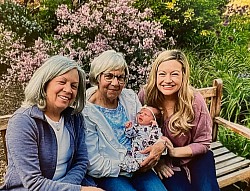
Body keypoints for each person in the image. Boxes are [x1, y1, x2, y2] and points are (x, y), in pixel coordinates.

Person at [0, 55, 104, 191]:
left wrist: (66, 187)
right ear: (45, 82)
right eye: (62, 82)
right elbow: (33, 183)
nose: (68, 90)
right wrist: (77, 190)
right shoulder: (23, 122)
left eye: (74, 86)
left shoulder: (75, 118)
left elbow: (81, 162)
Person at [82, 50, 168, 191]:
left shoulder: (129, 98)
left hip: (141, 165)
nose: (115, 83)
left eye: (120, 77)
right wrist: (128, 166)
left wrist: (160, 144)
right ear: (97, 77)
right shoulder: (85, 111)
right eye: (109, 76)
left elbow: (147, 129)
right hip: (110, 172)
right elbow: (93, 163)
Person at [139, 49, 220, 191]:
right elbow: (136, 133)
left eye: (174, 74)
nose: (167, 80)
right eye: (162, 74)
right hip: (166, 164)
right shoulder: (145, 96)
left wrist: (173, 151)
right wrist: (157, 161)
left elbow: (203, 142)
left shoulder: (194, 100)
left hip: (197, 157)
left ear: (184, 75)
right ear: (155, 75)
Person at [120, 105, 163, 172]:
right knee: (130, 159)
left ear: (153, 120)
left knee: (143, 161)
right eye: (140, 113)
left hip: (146, 151)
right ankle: (127, 168)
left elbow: (154, 138)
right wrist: (129, 128)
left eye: (146, 114)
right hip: (135, 150)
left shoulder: (153, 129)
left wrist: (154, 127)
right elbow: (130, 135)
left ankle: (137, 167)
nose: (141, 115)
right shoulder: (137, 127)